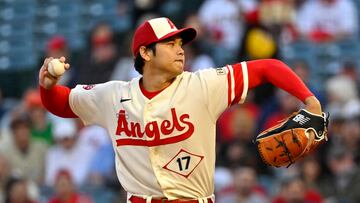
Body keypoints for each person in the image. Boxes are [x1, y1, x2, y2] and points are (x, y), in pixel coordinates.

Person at [39, 17, 323, 203]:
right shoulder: (114, 95)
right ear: (145, 53)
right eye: (170, 44)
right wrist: (48, 86)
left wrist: (309, 100)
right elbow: (61, 104)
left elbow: (268, 66)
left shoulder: (203, 85)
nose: (180, 50)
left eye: (181, 44)